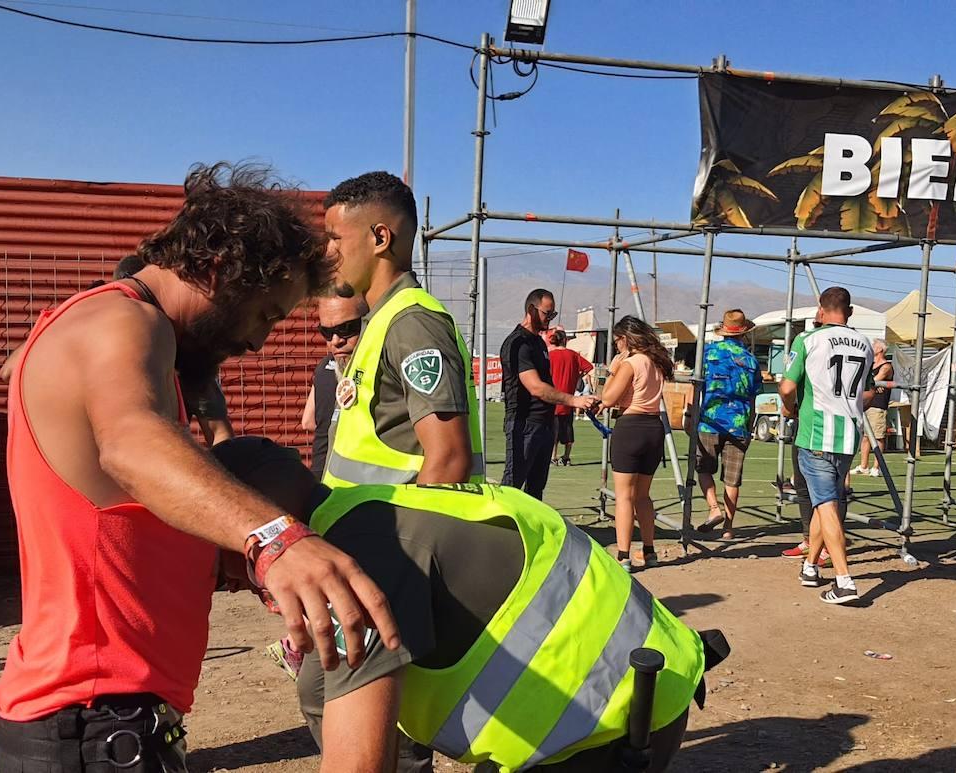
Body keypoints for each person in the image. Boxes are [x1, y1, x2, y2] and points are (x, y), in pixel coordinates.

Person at [0, 163, 400, 772]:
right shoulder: (127, 323)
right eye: (264, 314)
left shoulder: (98, 321)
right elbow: (130, 443)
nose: (258, 342)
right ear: (219, 271)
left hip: (93, 722)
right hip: (91, 724)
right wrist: (275, 539)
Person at [210, 436, 724, 773]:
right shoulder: (370, 510)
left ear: (263, 528)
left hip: (609, 730)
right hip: (646, 686)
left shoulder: (357, 565)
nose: (229, 588)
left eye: (222, 568)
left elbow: (358, 764)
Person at [321, 171, 481, 487]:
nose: (328, 252)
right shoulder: (382, 318)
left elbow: (449, 460)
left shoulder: (413, 324)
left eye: (335, 238)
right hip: (360, 528)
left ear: (380, 238)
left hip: (388, 534)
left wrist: (399, 537)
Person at [0, 254, 235, 446]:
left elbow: (219, 434)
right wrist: (69, 318)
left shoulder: (184, 361)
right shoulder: (88, 337)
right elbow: (10, 369)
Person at [780, 287, 874, 605]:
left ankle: (844, 580)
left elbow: (787, 386)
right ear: (849, 311)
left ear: (821, 310)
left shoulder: (807, 339)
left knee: (826, 506)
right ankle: (810, 567)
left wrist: (789, 407)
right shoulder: (865, 344)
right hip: (848, 436)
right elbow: (869, 392)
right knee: (826, 502)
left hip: (815, 435)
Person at [500, 289, 600, 499]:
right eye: (547, 313)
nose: (549, 319)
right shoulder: (518, 343)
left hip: (545, 424)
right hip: (525, 425)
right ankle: (502, 531)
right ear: (531, 309)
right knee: (511, 488)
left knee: (536, 490)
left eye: (553, 315)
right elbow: (535, 387)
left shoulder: (539, 342)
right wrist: (574, 400)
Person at [600, 316, 673, 571]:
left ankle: (623, 555)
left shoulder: (630, 363)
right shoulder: (657, 362)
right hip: (654, 429)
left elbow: (607, 398)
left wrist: (612, 370)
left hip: (630, 427)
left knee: (624, 496)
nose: (616, 347)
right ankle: (649, 550)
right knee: (643, 495)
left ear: (626, 338)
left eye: (617, 341)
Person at [694, 309, 760, 541]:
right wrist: (750, 425)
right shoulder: (751, 360)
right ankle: (728, 528)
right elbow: (753, 396)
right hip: (739, 422)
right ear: (744, 333)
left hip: (710, 420)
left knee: (703, 468)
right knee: (732, 478)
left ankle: (713, 508)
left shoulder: (709, 353)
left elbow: (695, 387)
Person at [302, 293, 370, 477]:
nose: (335, 341)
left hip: (319, 474)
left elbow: (307, 421)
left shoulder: (323, 365)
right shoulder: (371, 369)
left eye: (346, 329)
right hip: (351, 481)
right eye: (326, 332)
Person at [547, 329, 595, 466]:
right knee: (568, 429)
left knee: (553, 431)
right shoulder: (573, 355)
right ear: (565, 340)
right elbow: (588, 367)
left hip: (553, 398)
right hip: (569, 399)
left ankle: (553, 456)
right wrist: (576, 377)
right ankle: (566, 456)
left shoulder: (550, 356)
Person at [852, 339, 893, 477]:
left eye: (874, 345)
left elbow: (874, 380)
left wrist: (872, 383)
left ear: (881, 349)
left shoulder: (886, 366)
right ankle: (863, 466)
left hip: (878, 405)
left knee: (878, 437)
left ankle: (877, 467)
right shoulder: (870, 364)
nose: (872, 347)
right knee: (865, 437)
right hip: (866, 404)